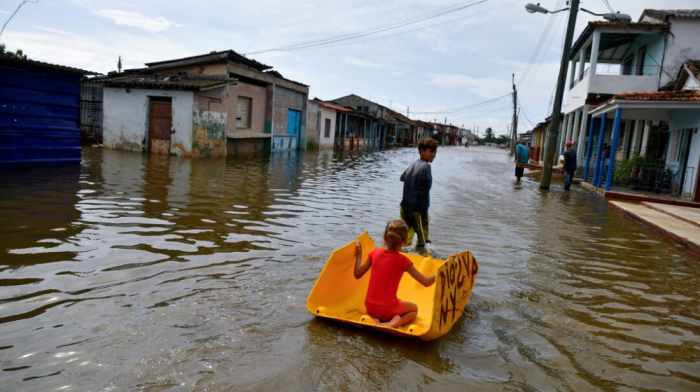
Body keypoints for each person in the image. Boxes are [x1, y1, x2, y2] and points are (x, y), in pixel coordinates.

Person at [354, 220, 436, 328]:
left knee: (398, 301)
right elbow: (425, 282)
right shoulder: (403, 261)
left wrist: (359, 256)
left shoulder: (374, 253)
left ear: (384, 237)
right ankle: (394, 323)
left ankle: (376, 319)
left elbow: (357, 274)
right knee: (414, 309)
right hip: (388, 310)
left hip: (370, 308)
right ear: (405, 241)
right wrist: (441, 271)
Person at [400, 137, 438, 255]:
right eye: (431, 152)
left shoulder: (413, 164)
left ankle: (402, 255)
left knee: (406, 235)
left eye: (435, 152)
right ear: (422, 151)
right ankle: (420, 258)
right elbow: (424, 191)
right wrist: (423, 211)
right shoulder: (426, 167)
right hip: (417, 209)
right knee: (422, 237)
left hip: (405, 207)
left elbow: (402, 177)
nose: (434, 155)